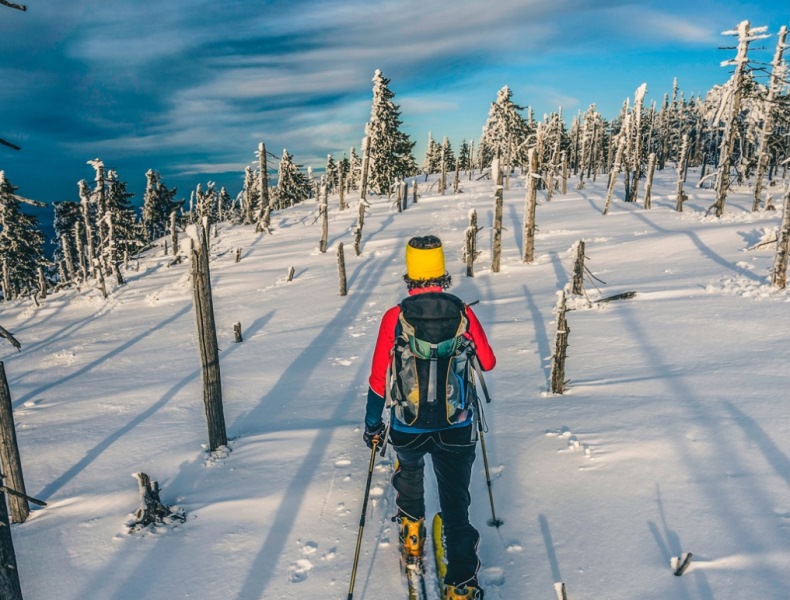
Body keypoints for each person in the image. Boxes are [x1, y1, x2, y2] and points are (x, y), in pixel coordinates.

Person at [363, 235, 496, 600]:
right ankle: (461, 586)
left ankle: (411, 531)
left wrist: (373, 425)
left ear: (411, 274)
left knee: (409, 473)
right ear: (441, 273)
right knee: (455, 508)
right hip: (456, 425)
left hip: (407, 424)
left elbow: (379, 380)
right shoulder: (463, 313)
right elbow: (488, 362)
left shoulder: (397, 316)